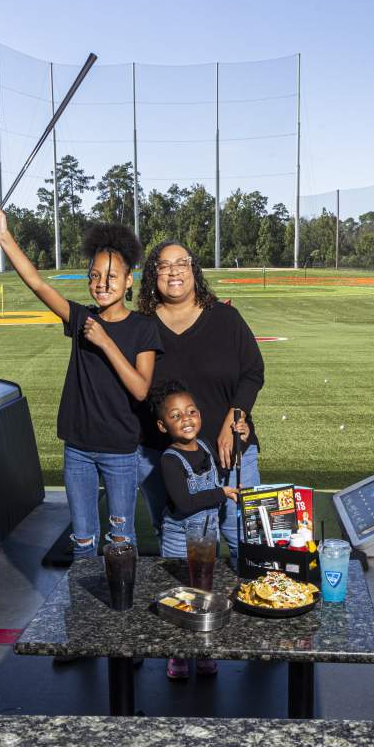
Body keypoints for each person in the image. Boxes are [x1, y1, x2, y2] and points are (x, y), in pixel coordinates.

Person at [0, 205, 162, 558]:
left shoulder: (143, 328)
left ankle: (119, 608)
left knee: (122, 540)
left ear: (129, 280)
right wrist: (4, 236)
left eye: (112, 276)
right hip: (78, 448)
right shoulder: (81, 318)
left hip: (120, 451)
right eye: (95, 276)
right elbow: (37, 283)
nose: (102, 284)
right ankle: (84, 609)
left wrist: (106, 342)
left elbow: (141, 389)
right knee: (83, 539)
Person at [137, 240, 264, 560]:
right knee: (183, 549)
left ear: (194, 268)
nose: (173, 271)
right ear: (154, 275)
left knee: (247, 545)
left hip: (229, 452)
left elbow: (253, 372)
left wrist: (234, 419)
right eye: (163, 266)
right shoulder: (142, 327)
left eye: (182, 262)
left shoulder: (225, 319)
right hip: (165, 460)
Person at [149, 380, 247, 680]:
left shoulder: (205, 446)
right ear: (163, 426)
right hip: (181, 540)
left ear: (200, 416)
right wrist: (222, 494)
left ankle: (203, 652)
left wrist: (240, 440)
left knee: (204, 596)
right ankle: (178, 654)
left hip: (207, 538)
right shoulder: (169, 460)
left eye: (191, 411)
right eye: (176, 416)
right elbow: (184, 501)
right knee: (182, 600)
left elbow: (223, 474)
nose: (186, 419)